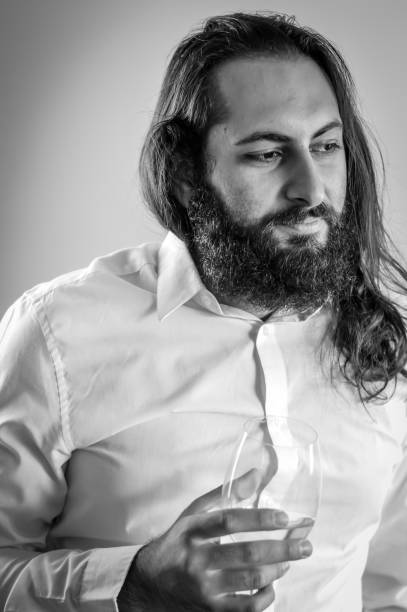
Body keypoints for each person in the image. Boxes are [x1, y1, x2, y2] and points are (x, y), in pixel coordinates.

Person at [0, 10, 406, 612]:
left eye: (325, 146)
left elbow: (389, 584)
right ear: (188, 172)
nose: (312, 189)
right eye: (267, 154)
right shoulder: (56, 332)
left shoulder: (388, 342)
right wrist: (133, 583)